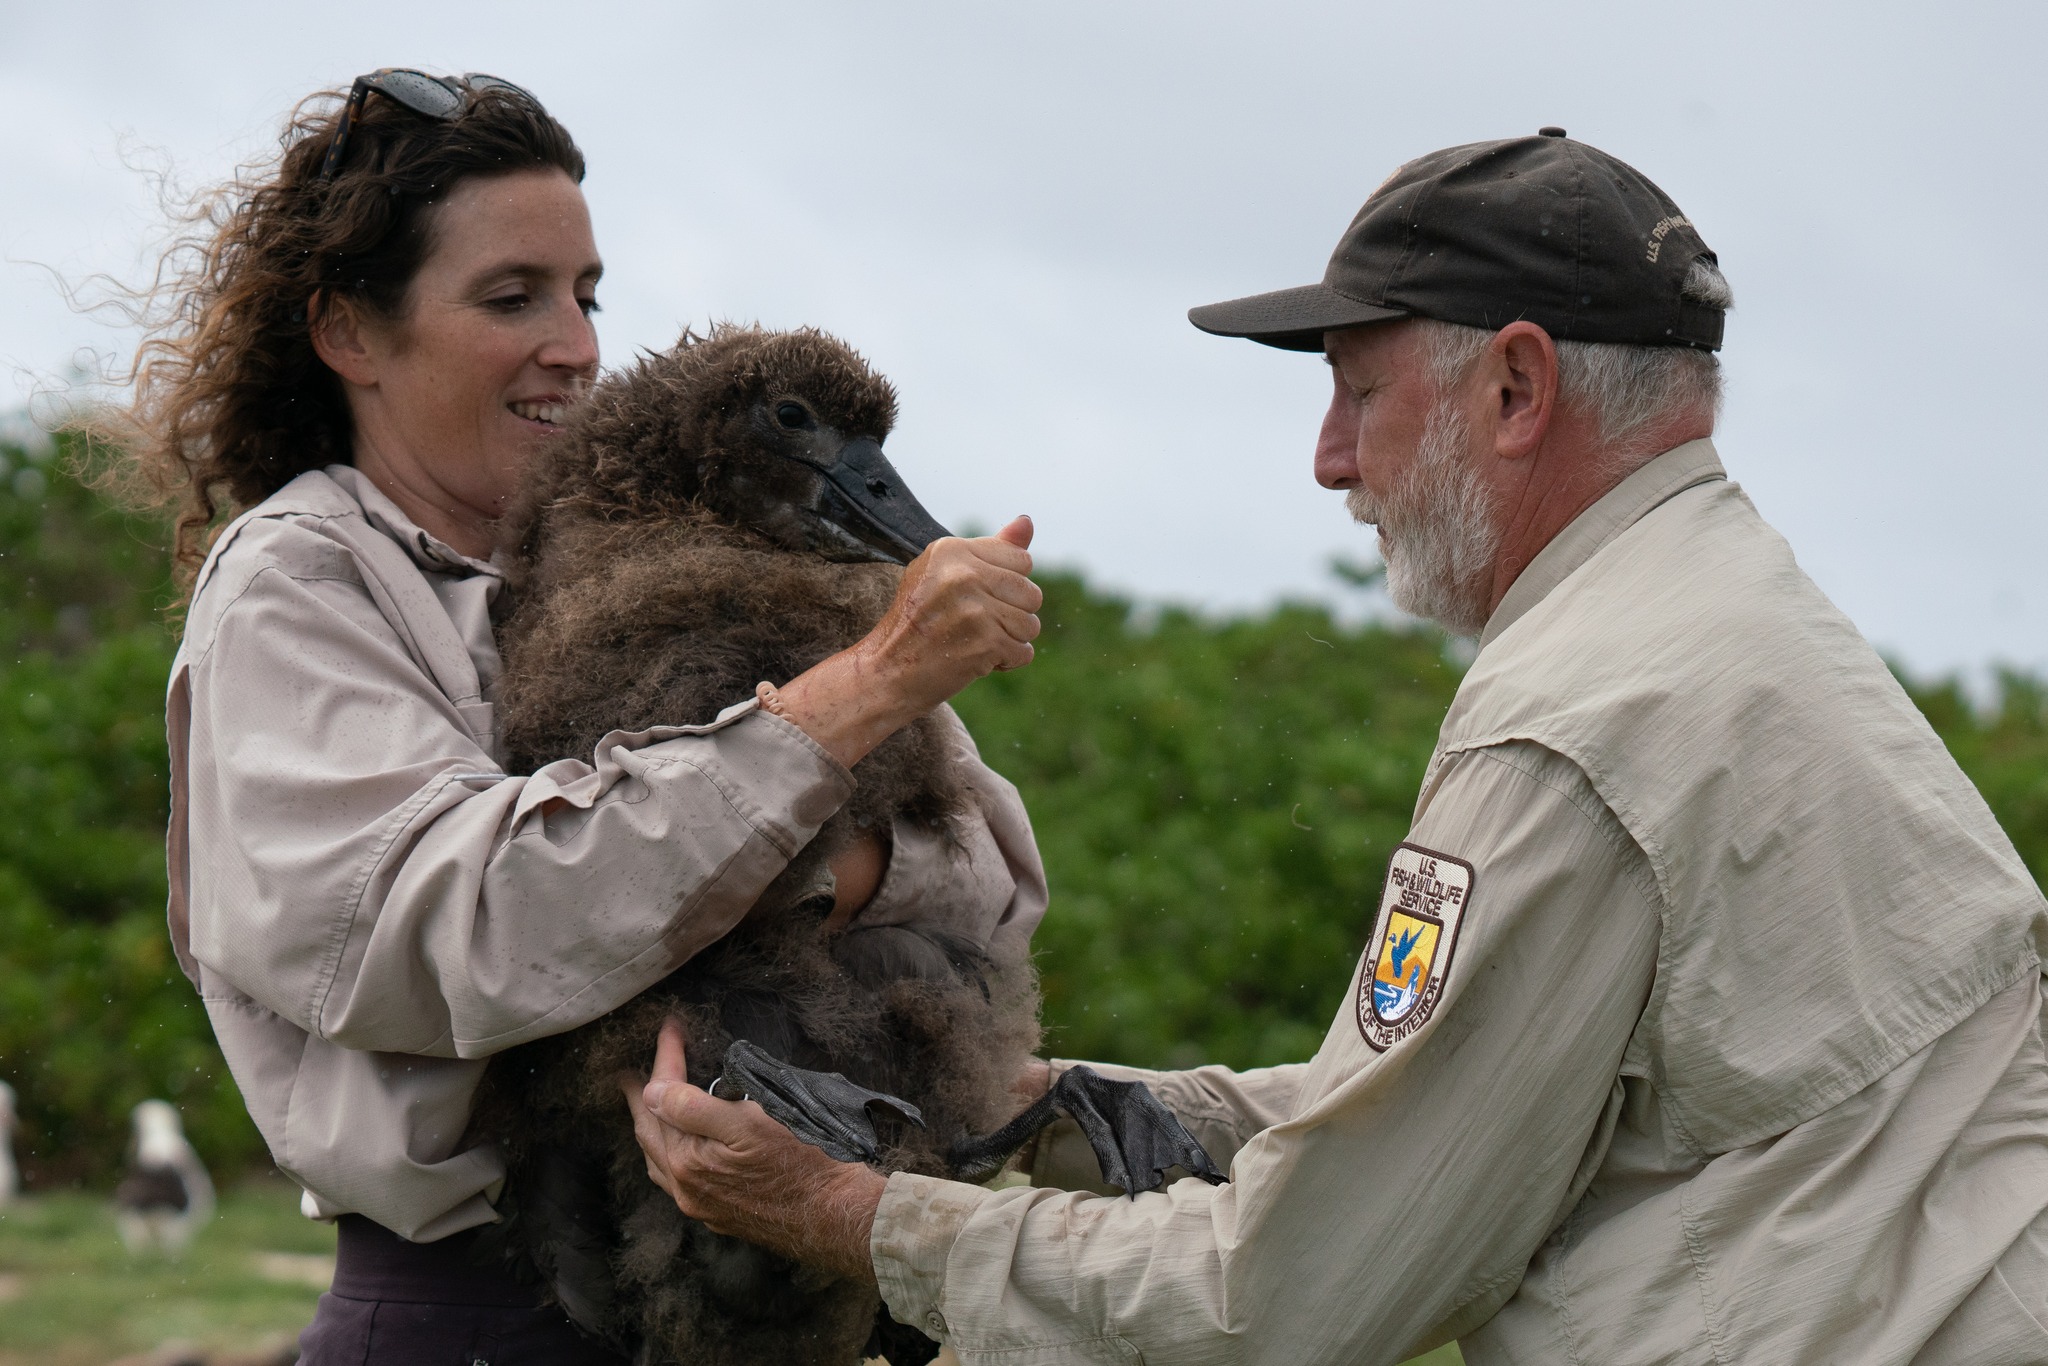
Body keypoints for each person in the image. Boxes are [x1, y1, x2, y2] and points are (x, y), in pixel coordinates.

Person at [628, 129, 2048, 1364]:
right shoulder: (1730, 618)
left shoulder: (1576, 728)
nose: (1327, 457)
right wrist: (1047, 1108)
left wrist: (851, 1217)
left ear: (1516, 389)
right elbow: (1459, 1097)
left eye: (1359, 390)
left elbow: (1295, 1297)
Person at [118, 70, 1046, 1362]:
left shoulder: (696, 546)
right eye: (513, 297)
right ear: (349, 334)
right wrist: (862, 698)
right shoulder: (305, 579)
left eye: (586, 294)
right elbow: (453, 935)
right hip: (488, 1309)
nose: (577, 343)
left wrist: (800, 858)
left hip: (786, 1282)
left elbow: (997, 881)